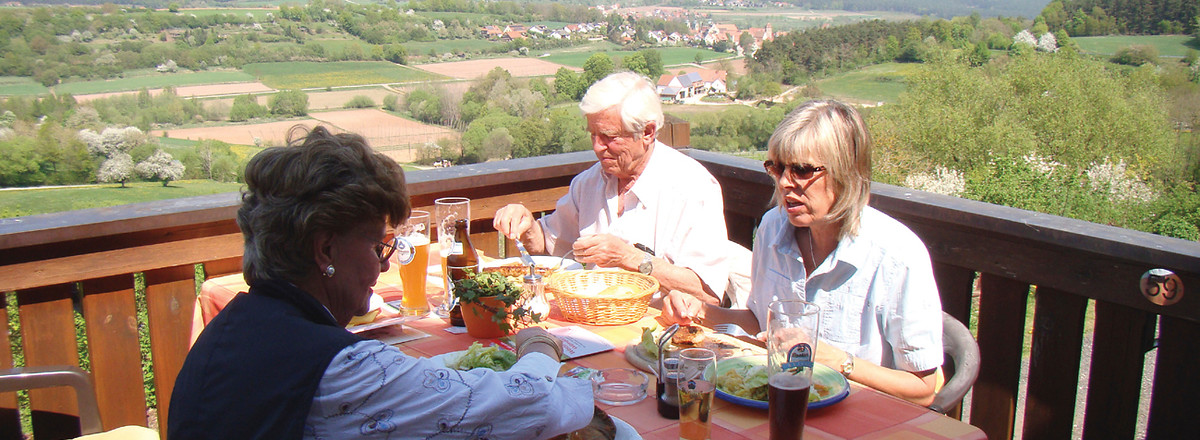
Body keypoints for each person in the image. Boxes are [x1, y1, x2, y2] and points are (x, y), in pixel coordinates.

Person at [169, 126, 592, 439]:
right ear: (325, 250)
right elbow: (533, 406)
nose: (381, 268)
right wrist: (541, 346)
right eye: (377, 247)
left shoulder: (226, 331)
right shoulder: (339, 371)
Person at [659, 100, 944, 406]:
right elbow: (760, 322)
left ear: (846, 172)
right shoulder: (772, 227)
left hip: (862, 418)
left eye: (802, 170)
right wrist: (698, 311)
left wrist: (838, 360)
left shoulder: (896, 255)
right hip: (778, 404)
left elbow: (926, 387)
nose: (784, 182)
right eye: (777, 167)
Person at [493, 71, 731, 304]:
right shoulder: (588, 183)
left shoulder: (692, 187)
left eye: (609, 136)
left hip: (661, 332)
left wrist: (629, 257)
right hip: (590, 325)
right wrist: (526, 226)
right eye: (593, 134)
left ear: (647, 132)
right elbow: (550, 247)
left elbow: (707, 294)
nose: (597, 147)